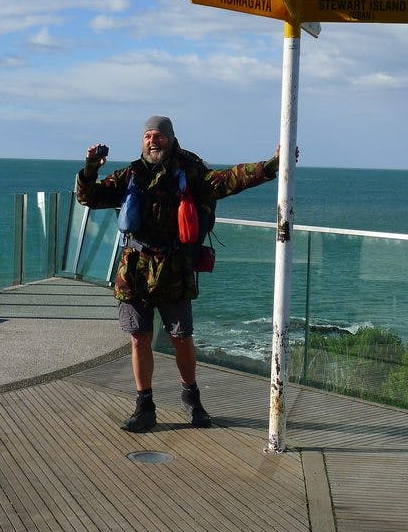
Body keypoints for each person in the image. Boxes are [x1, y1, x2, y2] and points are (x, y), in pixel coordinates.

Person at [76, 115, 282, 432]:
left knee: (181, 338)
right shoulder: (131, 174)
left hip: (174, 269)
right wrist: (91, 167)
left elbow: (228, 180)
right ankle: (144, 406)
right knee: (138, 339)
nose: (152, 141)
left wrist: (270, 166)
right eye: (147, 136)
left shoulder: (189, 171)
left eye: (158, 135)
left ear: (171, 138)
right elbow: (88, 196)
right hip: (135, 271)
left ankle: (192, 399)